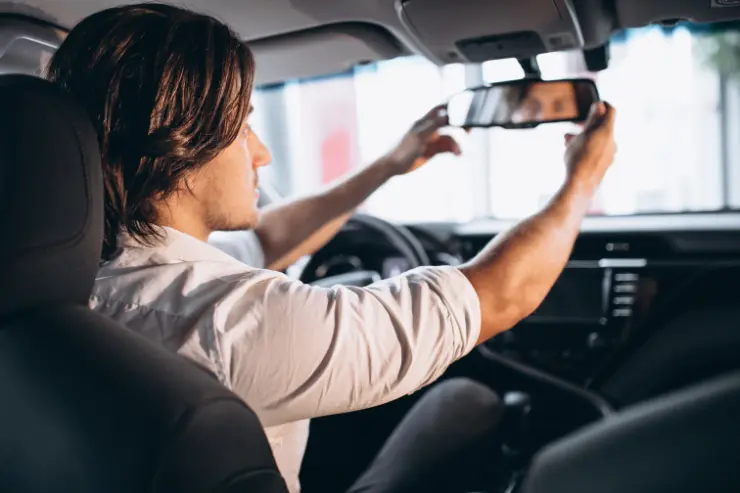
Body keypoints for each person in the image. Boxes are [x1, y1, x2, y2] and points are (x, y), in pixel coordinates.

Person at [46, 3, 617, 493]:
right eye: (243, 127)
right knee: (468, 399)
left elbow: (267, 238)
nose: (262, 153)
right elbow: (500, 294)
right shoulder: (227, 324)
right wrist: (582, 180)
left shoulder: (82, 278)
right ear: (182, 141)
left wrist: (389, 166)